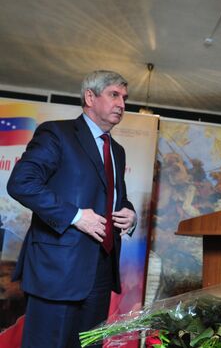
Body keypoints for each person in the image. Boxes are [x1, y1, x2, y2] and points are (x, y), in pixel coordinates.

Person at [7, 70, 137, 347]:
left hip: (101, 272)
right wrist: (76, 216)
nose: (122, 104)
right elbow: (21, 183)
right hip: (57, 270)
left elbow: (116, 197)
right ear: (90, 96)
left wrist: (129, 213)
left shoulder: (117, 150)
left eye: (124, 98)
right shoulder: (56, 133)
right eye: (114, 95)